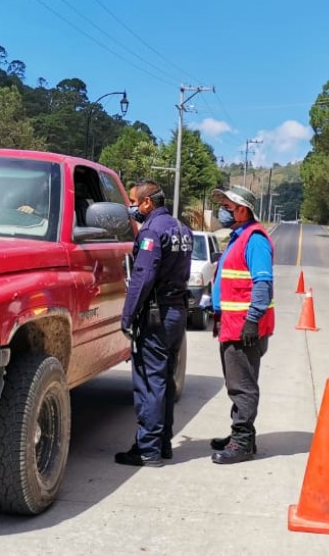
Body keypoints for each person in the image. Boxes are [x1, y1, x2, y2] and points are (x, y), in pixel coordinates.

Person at [115, 180, 193, 467]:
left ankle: (147, 449)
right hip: (177, 312)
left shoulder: (151, 231)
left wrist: (127, 315)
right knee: (166, 381)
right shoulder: (182, 229)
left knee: (150, 382)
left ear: (148, 203)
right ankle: (163, 444)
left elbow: (143, 277)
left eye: (134, 202)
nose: (132, 208)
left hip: (156, 315)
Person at [209, 185, 274, 465]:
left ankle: (242, 442)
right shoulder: (239, 237)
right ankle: (243, 435)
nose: (222, 210)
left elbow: (263, 283)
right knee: (237, 383)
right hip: (231, 324)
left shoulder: (254, 239)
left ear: (242, 210)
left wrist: (252, 320)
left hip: (243, 327)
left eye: (226, 206)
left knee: (242, 386)